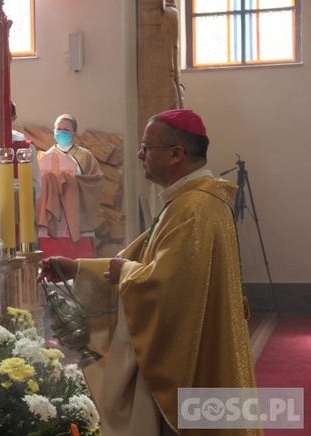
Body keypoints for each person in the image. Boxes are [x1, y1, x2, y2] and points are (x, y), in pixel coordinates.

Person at [38, 109, 259, 435]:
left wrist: (126, 271)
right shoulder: (187, 201)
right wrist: (79, 269)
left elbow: (166, 285)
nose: (140, 155)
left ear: (176, 154)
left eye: (146, 148)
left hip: (191, 363)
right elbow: (142, 258)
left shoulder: (194, 207)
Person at [36, 114, 103, 258]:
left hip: (77, 212)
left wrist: (70, 182)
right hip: (53, 215)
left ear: (75, 133)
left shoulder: (85, 156)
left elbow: (95, 181)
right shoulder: (45, 156)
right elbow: (37, 185)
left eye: (66, 129)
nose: (61, 132)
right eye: (58, 129)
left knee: (77, 260)